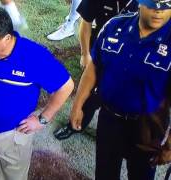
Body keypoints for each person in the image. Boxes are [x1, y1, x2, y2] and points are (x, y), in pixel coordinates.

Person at [0, 7, 74, 180]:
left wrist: (43, 119)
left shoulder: (34, 56)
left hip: (16, 134)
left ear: (7, 38)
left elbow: (66, 86)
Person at [70, 0, 171, 179]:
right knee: (104, 173)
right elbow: (93, 68)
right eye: (152, 3)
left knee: (141, 176)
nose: (158, 11)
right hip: (109, 119)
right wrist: (77, 104)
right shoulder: (114, 25)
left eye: (166, 4)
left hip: (148, 128)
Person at [53, 0, 139, 140]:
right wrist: (85, 54)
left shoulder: (149, 4)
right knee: (89, 94)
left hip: (131, 59)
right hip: (101, 52)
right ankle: (74, 125)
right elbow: (86, 22)